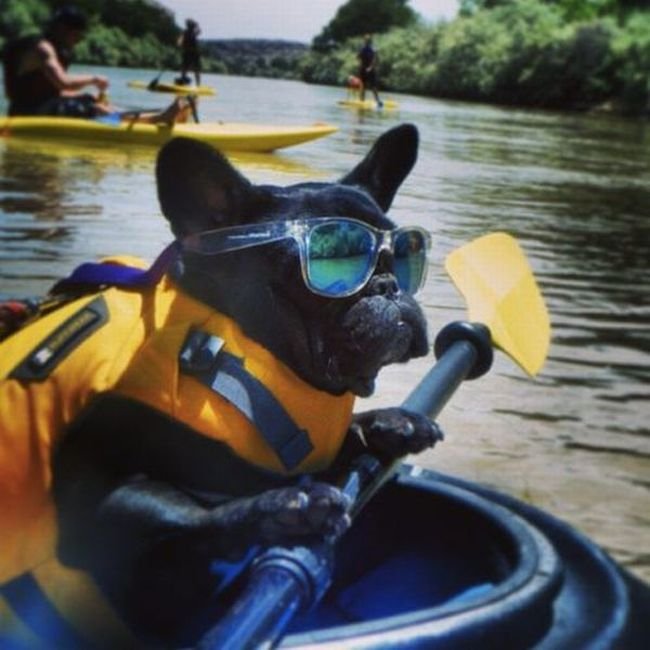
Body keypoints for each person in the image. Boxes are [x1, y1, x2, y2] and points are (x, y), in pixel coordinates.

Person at [2, 5, 189, 124]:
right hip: (27, 114)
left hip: (38, 107)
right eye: (77, 35)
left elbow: (52, 91)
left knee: (91, 100)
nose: (78, 41)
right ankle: (156, 119)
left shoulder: (52, 47)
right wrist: (94, 79)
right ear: (63, 29)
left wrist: (87, 95)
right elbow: (63, 83)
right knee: (93, 108)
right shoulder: (43, 49)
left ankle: (144, 118)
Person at [357, 34, 383, 107]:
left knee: (373, 86)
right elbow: (358, 57)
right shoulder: (362, 48)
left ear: (370, 41)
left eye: (368, 40)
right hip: (363, 68)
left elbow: (375, 59)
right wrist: (360, 66)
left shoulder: (373, 49)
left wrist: (370, 67)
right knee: (363, 84)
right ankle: (362, 101)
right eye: (365, 40)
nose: (366, 41)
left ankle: (377, 101)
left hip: (371, 69)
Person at [177, 18, 202, 86]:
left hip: (195, 53)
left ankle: (198, 85)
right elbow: (180, 39)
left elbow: (199, 31)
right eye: (188, 24)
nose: (189, 26)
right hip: (187, 53)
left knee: (196, 69)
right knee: (184, 68)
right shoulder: (185, 32)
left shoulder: (194, 32)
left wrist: (197, 25)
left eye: (190, 24)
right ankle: (183, 81)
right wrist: (179, 43)